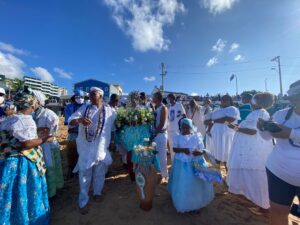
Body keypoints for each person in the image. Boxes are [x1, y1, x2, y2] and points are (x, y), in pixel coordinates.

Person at [0, 88, 51, 225]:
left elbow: (15, 134)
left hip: (6, 162)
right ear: (32, 104)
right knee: (26, 193)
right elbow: (27, 143)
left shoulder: (10, 118)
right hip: (21, 162)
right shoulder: (26, 120)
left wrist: (38, 131)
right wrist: (45, 139)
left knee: (10, 195)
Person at [258, 80, 300, 225]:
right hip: (278, 173)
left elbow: (287, 134)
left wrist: (289, 133)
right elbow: (266, 137)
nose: (296, 100)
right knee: (277, 212)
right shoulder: (281, 114)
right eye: (295, 97)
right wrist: (262, 128)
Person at [69, 87, 116, 214]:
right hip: (86, 148)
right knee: (84, 175)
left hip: (101, 148)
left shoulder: (110, 111)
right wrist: (79, 120)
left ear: (100, 96)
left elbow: (113, 127)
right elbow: (70, 120)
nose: (89, 95)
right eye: (89, 94)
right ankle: (83, 201)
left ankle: (97, 193)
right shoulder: (85, 108)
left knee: (100, 173)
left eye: (93, 94)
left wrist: (112, 142)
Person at [227, 92, 275, 211]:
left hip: (252, 149)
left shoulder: (259, 113)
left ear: (257, 102)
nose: (251, 103)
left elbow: (253, 132)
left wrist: (236, 128)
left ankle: (262, 205)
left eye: (253, 100)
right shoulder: (258, 113)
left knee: (255, 174)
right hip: (249, 148)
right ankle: (256, 200)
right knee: (251, 173)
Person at [168, 118, 214, 213]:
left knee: (196, 183)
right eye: (183, 128)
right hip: (182, 163)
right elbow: (175, 149)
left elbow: (202, 149)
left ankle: (196, 202)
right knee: (184, 183)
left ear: (191, 127)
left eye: (187, 128)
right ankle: (184, 202)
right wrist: (183, 150)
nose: (185, 130)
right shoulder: (177, 137)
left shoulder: (196, 137)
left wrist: (199, 152)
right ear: (180, 128)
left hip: (196, 162)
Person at [32, 90, 64, 198]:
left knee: (50, 168)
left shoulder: (50, 115)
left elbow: (51, 137)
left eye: (32, 99)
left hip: (48, 147)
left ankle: (52, 193)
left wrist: (38, 137)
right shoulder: (31, 114)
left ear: (38, 101)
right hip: (36, 145)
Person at [205, 95, 240, 167]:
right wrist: (212, 123)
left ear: (230, 101)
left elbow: (229, 119)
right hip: (216, 135)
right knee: (216, 154)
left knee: (228, 155)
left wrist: (214, 121)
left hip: (227, 135)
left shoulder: (232, 109)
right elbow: (206, 121)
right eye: (222, 99)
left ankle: (229, 174)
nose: (223, 100)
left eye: (226, 99)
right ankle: (218, 173)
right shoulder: (216, 110)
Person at [64, 90, 86, 177]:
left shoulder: (87, 106)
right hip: (73, 132)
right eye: (78, 97)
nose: (80, 99)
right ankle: (71, 168)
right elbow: (68, 121)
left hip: (84, 133)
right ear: (74, 98)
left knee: (83, 152)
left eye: (82, 97)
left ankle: (82, 169)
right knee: (71, 151)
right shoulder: (69, 107)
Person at [153, 92, 168, 184]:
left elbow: (162, 123)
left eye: (153, 97)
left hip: (161, 134)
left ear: (157, 98)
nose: (152, 98)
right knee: (156, 155)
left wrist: (155, 133)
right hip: (156, 134)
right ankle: (158, 173)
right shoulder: (156, 108)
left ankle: (165, 176)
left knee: (162, 156)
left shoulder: (163, 108)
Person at [167, 93, 186, 161]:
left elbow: (184, 115)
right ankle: (173, 163)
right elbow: (168, 119)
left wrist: (183, 128)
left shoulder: (179, 105)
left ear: (173, 98)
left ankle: (179, 163)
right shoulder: (169, 108)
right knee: (172, 148)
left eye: (169, 98)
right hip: (170, 130)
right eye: (168, 99)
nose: (168, 100)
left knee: (178, 147)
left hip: (177, 130)